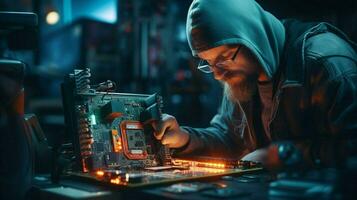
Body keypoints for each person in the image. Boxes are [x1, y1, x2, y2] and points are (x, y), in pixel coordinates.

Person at [153, 0, 357, 170]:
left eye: (223, 59)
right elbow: (229, 139)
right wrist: (185, 138)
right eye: (208, 63)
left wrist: (278, 155)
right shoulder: (240, 78)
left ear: (253, 37)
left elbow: (352, 148)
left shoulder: (326, 64)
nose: (217, 74)